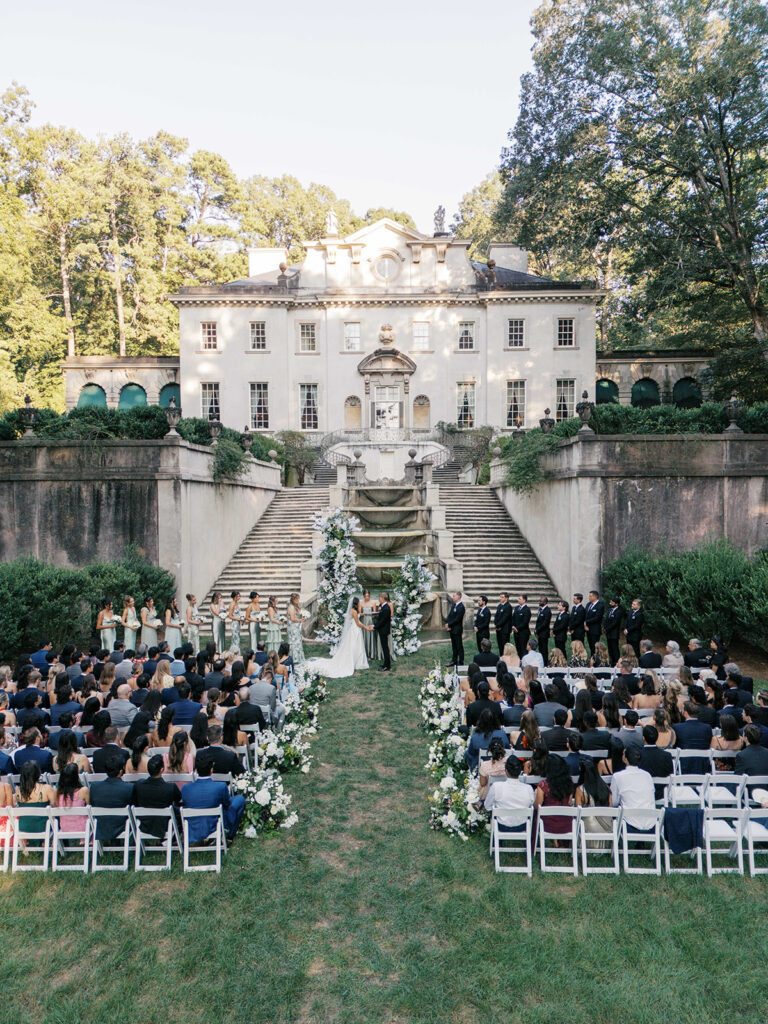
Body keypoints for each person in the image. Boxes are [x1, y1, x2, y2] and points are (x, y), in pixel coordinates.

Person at [182, 748, 245, 842]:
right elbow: (227, 804)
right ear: (211, 770)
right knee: (239, 800)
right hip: (213, 825)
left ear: (196, 770)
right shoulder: (220, 786)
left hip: (194, 826)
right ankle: (229, 835)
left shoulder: (185, 789)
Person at [307, 596, 371, 678]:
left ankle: (357, 662)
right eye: (359, 602)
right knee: (354, 646)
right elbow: (358, 623)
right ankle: (354, 662)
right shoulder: (354, 611)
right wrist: (367, 627)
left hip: (355, 629)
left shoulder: (354, 611)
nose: (360, 603)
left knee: (356, 645)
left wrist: (362, 613)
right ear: (356, 603)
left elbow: (356, 616)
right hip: (355, 629)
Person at [133, 755, 182, 838]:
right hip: (164, 824)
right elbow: (178, 799)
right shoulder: (170, 787)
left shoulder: (139, 785)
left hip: (145, 822)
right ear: (162, 769)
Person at [89, 754, 135, 842]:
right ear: (121, 771)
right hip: (121, 825)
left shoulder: (94, 786)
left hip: (101, 824)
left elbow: (92, 804)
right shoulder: (129, 787)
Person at [610, 746, 655, 829]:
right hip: (651, 822)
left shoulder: (617, 776)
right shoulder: (647, 775)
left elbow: (614, 802)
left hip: (629, 822)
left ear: (626, 759)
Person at [483, 756, 534, 828]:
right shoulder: (528, 789)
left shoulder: (496, 786)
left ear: (506, 771)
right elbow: (531, 804)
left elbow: (487, 806)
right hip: (522, 825)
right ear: (520, 772)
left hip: (501, 825)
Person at [14, 761, 54, 843]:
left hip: (24, 827)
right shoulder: (46, 788)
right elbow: (55, 806)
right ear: (38, 774)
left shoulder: (18, 791)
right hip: (43, 827)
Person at [575, 758, 613, 845]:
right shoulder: (606, 787)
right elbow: (610, 806)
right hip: (607, 828)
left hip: (590, 829)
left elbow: (578, 812)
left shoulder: (580, 790)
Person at [534, 756, 575, 835]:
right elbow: (569, 802)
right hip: (566, 824)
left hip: (547, 825)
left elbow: (537, 806)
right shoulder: (569, 784)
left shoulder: (543, 785)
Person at [673, 701, 713, 773]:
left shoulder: (677, 727)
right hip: (702, 766)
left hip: (684, 766)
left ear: (685, 713)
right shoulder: (707, 727)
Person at [445, 592, 465, 667]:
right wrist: (447, 623)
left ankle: (461, 661)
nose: (453, 597)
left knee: (459, 646)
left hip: (457, 629)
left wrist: (449, 624)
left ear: (459, 597)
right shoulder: (454, 605)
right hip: (452, 629)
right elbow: (450, 615)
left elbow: (457, 619)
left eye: (454, 596)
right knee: (454, 646)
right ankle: (454, 661)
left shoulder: (461, 607)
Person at [359, 590, 380, 661]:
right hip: (363, 620)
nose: (367, 597)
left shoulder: (373, 603)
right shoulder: (361, 603)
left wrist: (372, 615)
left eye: (368, 596)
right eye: (365, 596)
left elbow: (374, 613)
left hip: (370, 620)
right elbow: (359, 613)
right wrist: (363, 613)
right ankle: (364, 654)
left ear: (370, 596)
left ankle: (371, 654)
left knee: (370, 635)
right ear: (363, 596)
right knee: (364, 635)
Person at [374, 593, 392, 672]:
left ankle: (387, 665)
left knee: (385, 648)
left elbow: (382, 621)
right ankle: (386, 664)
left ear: (382, 598)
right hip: (383, 630)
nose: (378, 599)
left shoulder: (386, 608)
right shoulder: (384, 607)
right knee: (384, 647)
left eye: (379, 597)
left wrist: (374, 627)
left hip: (384, 631)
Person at [603, 598, 623, 666]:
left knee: (615, 649)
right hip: (608, 633)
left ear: (616, 604)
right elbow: (606, 620)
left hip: (614, 633)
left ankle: (617, 663)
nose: (610, 603)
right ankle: (612, 662)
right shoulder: (609, 610)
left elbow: (615, 623)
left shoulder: (618, 612)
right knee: (610, 649)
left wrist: (607, 629)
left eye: (612, 602)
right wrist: (604, 627)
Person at [584, 590, 604, 657]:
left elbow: (597, 617)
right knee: (591, 646)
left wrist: (587, 622)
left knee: (595, 647)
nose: (589, 597)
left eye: (590, 596)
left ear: (595, 597)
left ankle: (596, 660)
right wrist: (585, 624)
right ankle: (592, 659)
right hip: (588, 629)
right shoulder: (588, 604)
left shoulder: (600, 605)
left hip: (595, 629)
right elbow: (585, 615)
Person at [511, 595, 531, 660]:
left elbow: (525, 622)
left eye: (520, 599)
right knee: (518, 648)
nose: (518, 600)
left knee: (523, 648)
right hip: (516, 632)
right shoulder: (516, 608)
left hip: (523, 632)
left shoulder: (527, 610)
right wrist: (513, 626)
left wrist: (517, 628)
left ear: (524, 600)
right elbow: (513, 618)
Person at [534, 596, 551, 667]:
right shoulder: (540, 609)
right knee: (540, 649)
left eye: (541, 601)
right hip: (539, 633)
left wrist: (538, 630)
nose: (539, 602)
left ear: (545, 602)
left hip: (544, 633)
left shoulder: (547, 610)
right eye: (540, 601)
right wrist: (535, 630)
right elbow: (538, 621)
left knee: (544, 649)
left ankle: (545, 663)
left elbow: (545, 623)